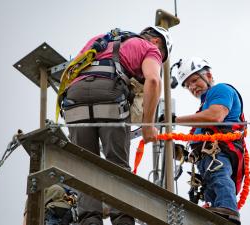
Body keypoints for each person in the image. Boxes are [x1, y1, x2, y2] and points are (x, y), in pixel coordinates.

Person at [60, 26, 172, 225]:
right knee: (117, 165)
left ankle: (89, 221)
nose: (159, 57)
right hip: (109, 96)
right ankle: (122, 220)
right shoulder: (150, 48)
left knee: (86, 166)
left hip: (73, 100)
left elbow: (72, 72)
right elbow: (153, 81)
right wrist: (147, 126)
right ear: (157, 42)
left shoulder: (98, 39)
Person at [173, 57, 246, 225]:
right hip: (208, 156)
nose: (192, 87)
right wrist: (182, 153)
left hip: (220, 152)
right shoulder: (203, 108)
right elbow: (202, 136)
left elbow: (216, 116)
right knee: (213, 184)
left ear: (208, 75)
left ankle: (228, 210)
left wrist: (175, 120)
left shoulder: (221, 90)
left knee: (218, 175)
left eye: (194, 80)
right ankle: (221, 212)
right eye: (187, 85)